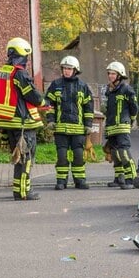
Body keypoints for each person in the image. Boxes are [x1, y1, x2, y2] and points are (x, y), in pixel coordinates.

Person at [0, 37, 45, 200]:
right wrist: (42, 102)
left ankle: (18, 190)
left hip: (9, 121)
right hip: (22, 122)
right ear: (23, 54)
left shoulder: (4, 70)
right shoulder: (19, 72)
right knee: (25, 159)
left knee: (18, 157)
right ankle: (23, 192)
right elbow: (30, 93)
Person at [45, 55, 94, 190]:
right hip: (61, 129)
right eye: (65, 68)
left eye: (69, 68)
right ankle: (61, 181)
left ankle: (80, 181)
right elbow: (49, 104)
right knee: (62, 156)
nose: (66, 71)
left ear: (75, 70)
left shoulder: (83, 86)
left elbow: (88, 106)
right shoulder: (56, 85)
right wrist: (50, 120)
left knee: (78, 156)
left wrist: (88, 124)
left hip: (78, 130)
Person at [102, 61, 137, 189]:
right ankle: (119, 178)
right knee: (115, 154)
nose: (110, 76)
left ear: (120, 75)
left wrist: (130, 120)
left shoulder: (126, 89)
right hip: (112, 127)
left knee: (124, 152)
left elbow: (134, 107)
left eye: (113, 74)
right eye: (109, 73)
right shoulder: (110, 90)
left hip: (122, 126)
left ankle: (131, 179)